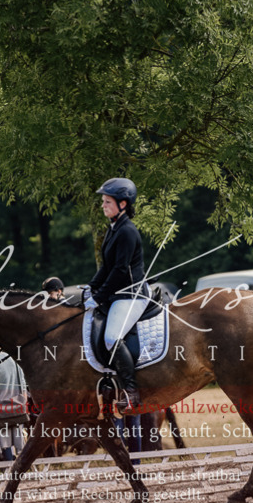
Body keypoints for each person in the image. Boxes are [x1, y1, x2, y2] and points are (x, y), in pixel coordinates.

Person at [88, 177, 149, 413]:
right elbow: (106, 266)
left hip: (131, 295)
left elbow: (120, 270)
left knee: (112, 338)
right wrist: (91, 287)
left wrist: (99, 296)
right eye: (102, 201)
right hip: (118, 294)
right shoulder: (113, 229)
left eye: (107, 201)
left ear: (123, 204)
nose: (102, 205)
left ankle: (131, 391)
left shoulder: (127, 231)